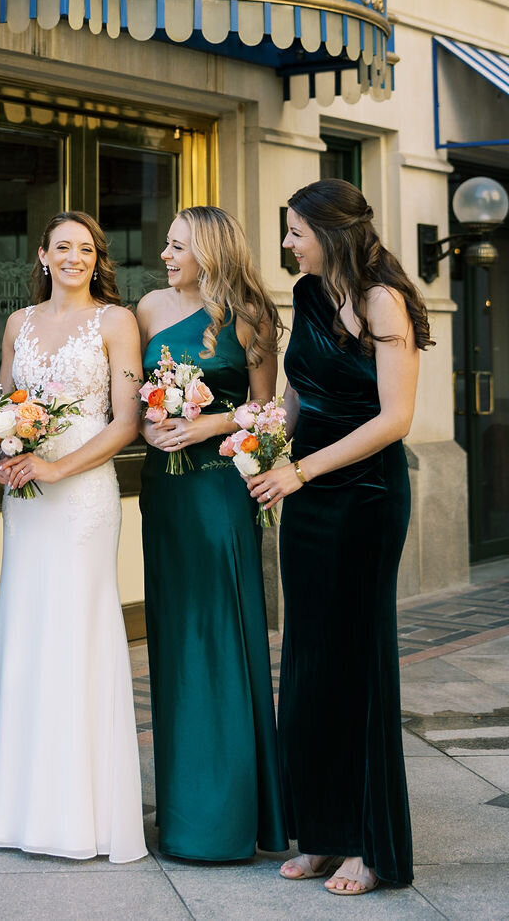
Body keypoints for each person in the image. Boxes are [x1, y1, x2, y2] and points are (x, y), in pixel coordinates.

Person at [249, 180, 431, 895]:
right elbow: (300, 392)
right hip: (308, 490)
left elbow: (395, 419)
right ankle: (320, 832)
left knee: (356, 665)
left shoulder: (386, 299)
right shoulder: (306, 293)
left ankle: (367, 844)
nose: (289, 243)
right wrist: (265, 449)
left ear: (331, 231)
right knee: (310, 661)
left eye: (296, 231)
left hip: (366, 497)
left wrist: (301, 470)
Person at [0, 210, 146, 863]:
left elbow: (126, 423)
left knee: (75, 631)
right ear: (41, 256)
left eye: (86, 248)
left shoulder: (117, 322)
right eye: (62, 247)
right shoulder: (18, 323)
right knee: (25, 629)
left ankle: (79, 815)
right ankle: (13, 804)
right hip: (27, 501)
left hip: (83, 498)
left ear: (99, 258)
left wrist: (57, 465)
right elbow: (1, 404)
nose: (74, 257)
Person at [136, 206, 287, 863]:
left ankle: (225, 819)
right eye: (166, 245)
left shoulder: (251, 315)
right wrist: (151, 429)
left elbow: (269, 412)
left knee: (221, 636)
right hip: (164, 490)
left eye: (178, 246)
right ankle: (181, 814)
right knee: (172, 640)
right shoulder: (146, 308)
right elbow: (135, 399)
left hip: (220, 489)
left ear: (210, 250)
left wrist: (205, 426)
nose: (166, 256)